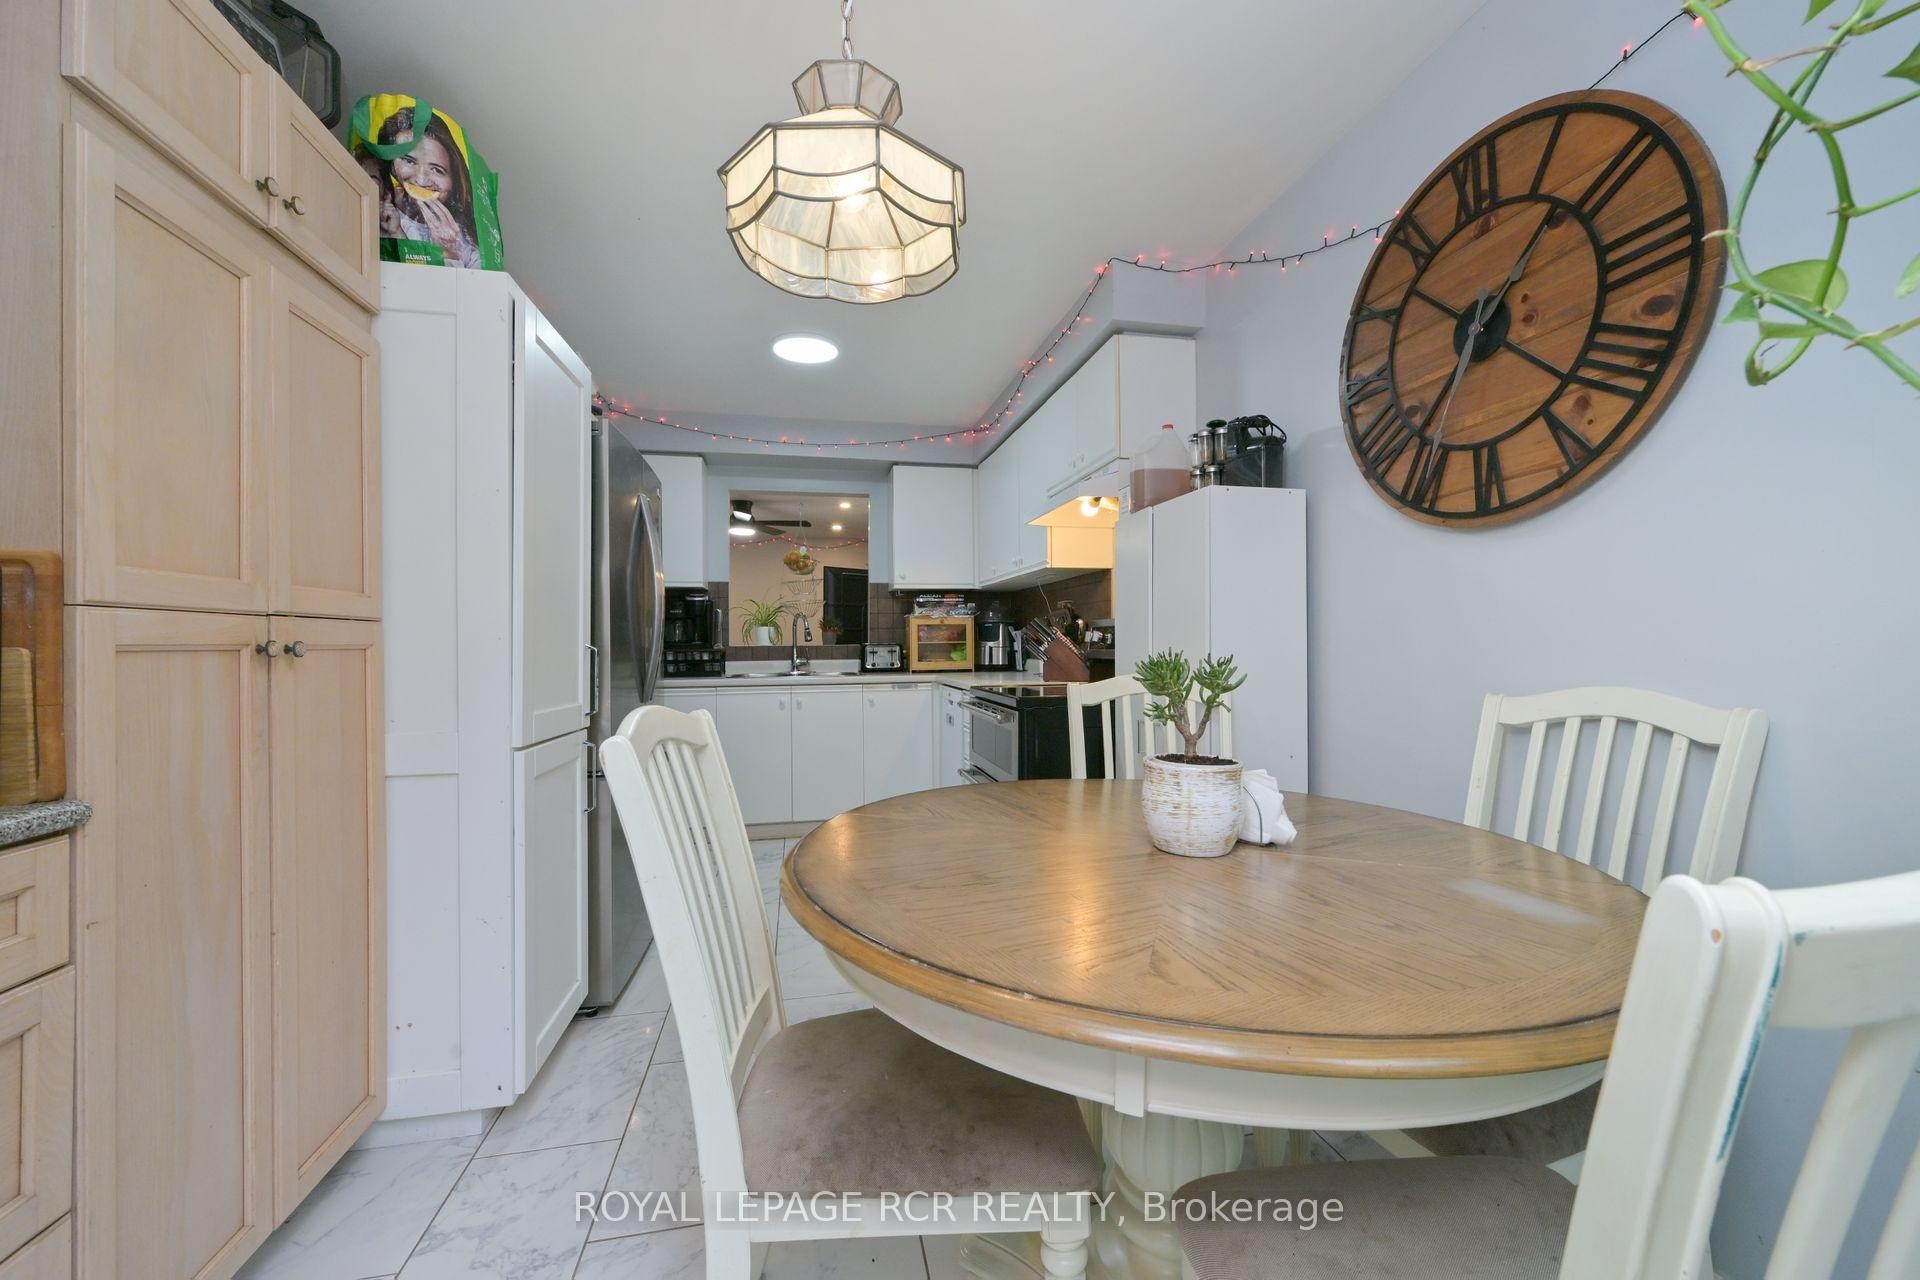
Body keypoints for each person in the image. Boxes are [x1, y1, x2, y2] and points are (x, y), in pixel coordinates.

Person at [368, 107, 482, 268]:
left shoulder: (471, 237)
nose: (421, 181)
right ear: (391, 163)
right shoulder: (377, 210)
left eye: (437, 170)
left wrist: (446, 253)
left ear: (454, 179)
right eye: (409, 161)